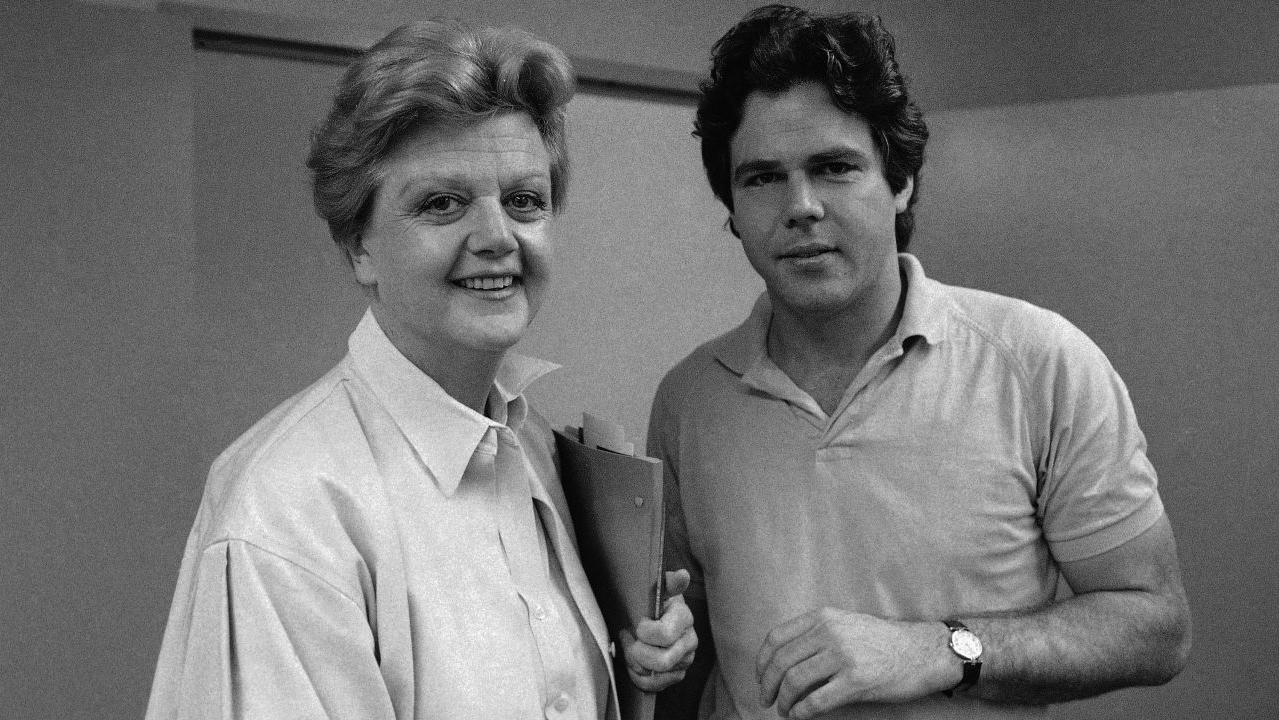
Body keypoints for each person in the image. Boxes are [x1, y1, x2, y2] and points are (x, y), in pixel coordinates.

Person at [649, 5, 1191, 719]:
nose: (801, 206)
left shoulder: (1038, 364)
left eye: (834, 167)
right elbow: (687, 658)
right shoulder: (690, 399)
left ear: (899, 182)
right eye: (762, 179)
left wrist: (940, 650)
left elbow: (1155, 627)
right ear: (732, 209)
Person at [145, 20, 695, 720]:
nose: (497, 237)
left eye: (523, 201)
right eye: (443, 203)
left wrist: (631, 663)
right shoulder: (287, 512)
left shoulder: (531, 451)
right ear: (359, 248)